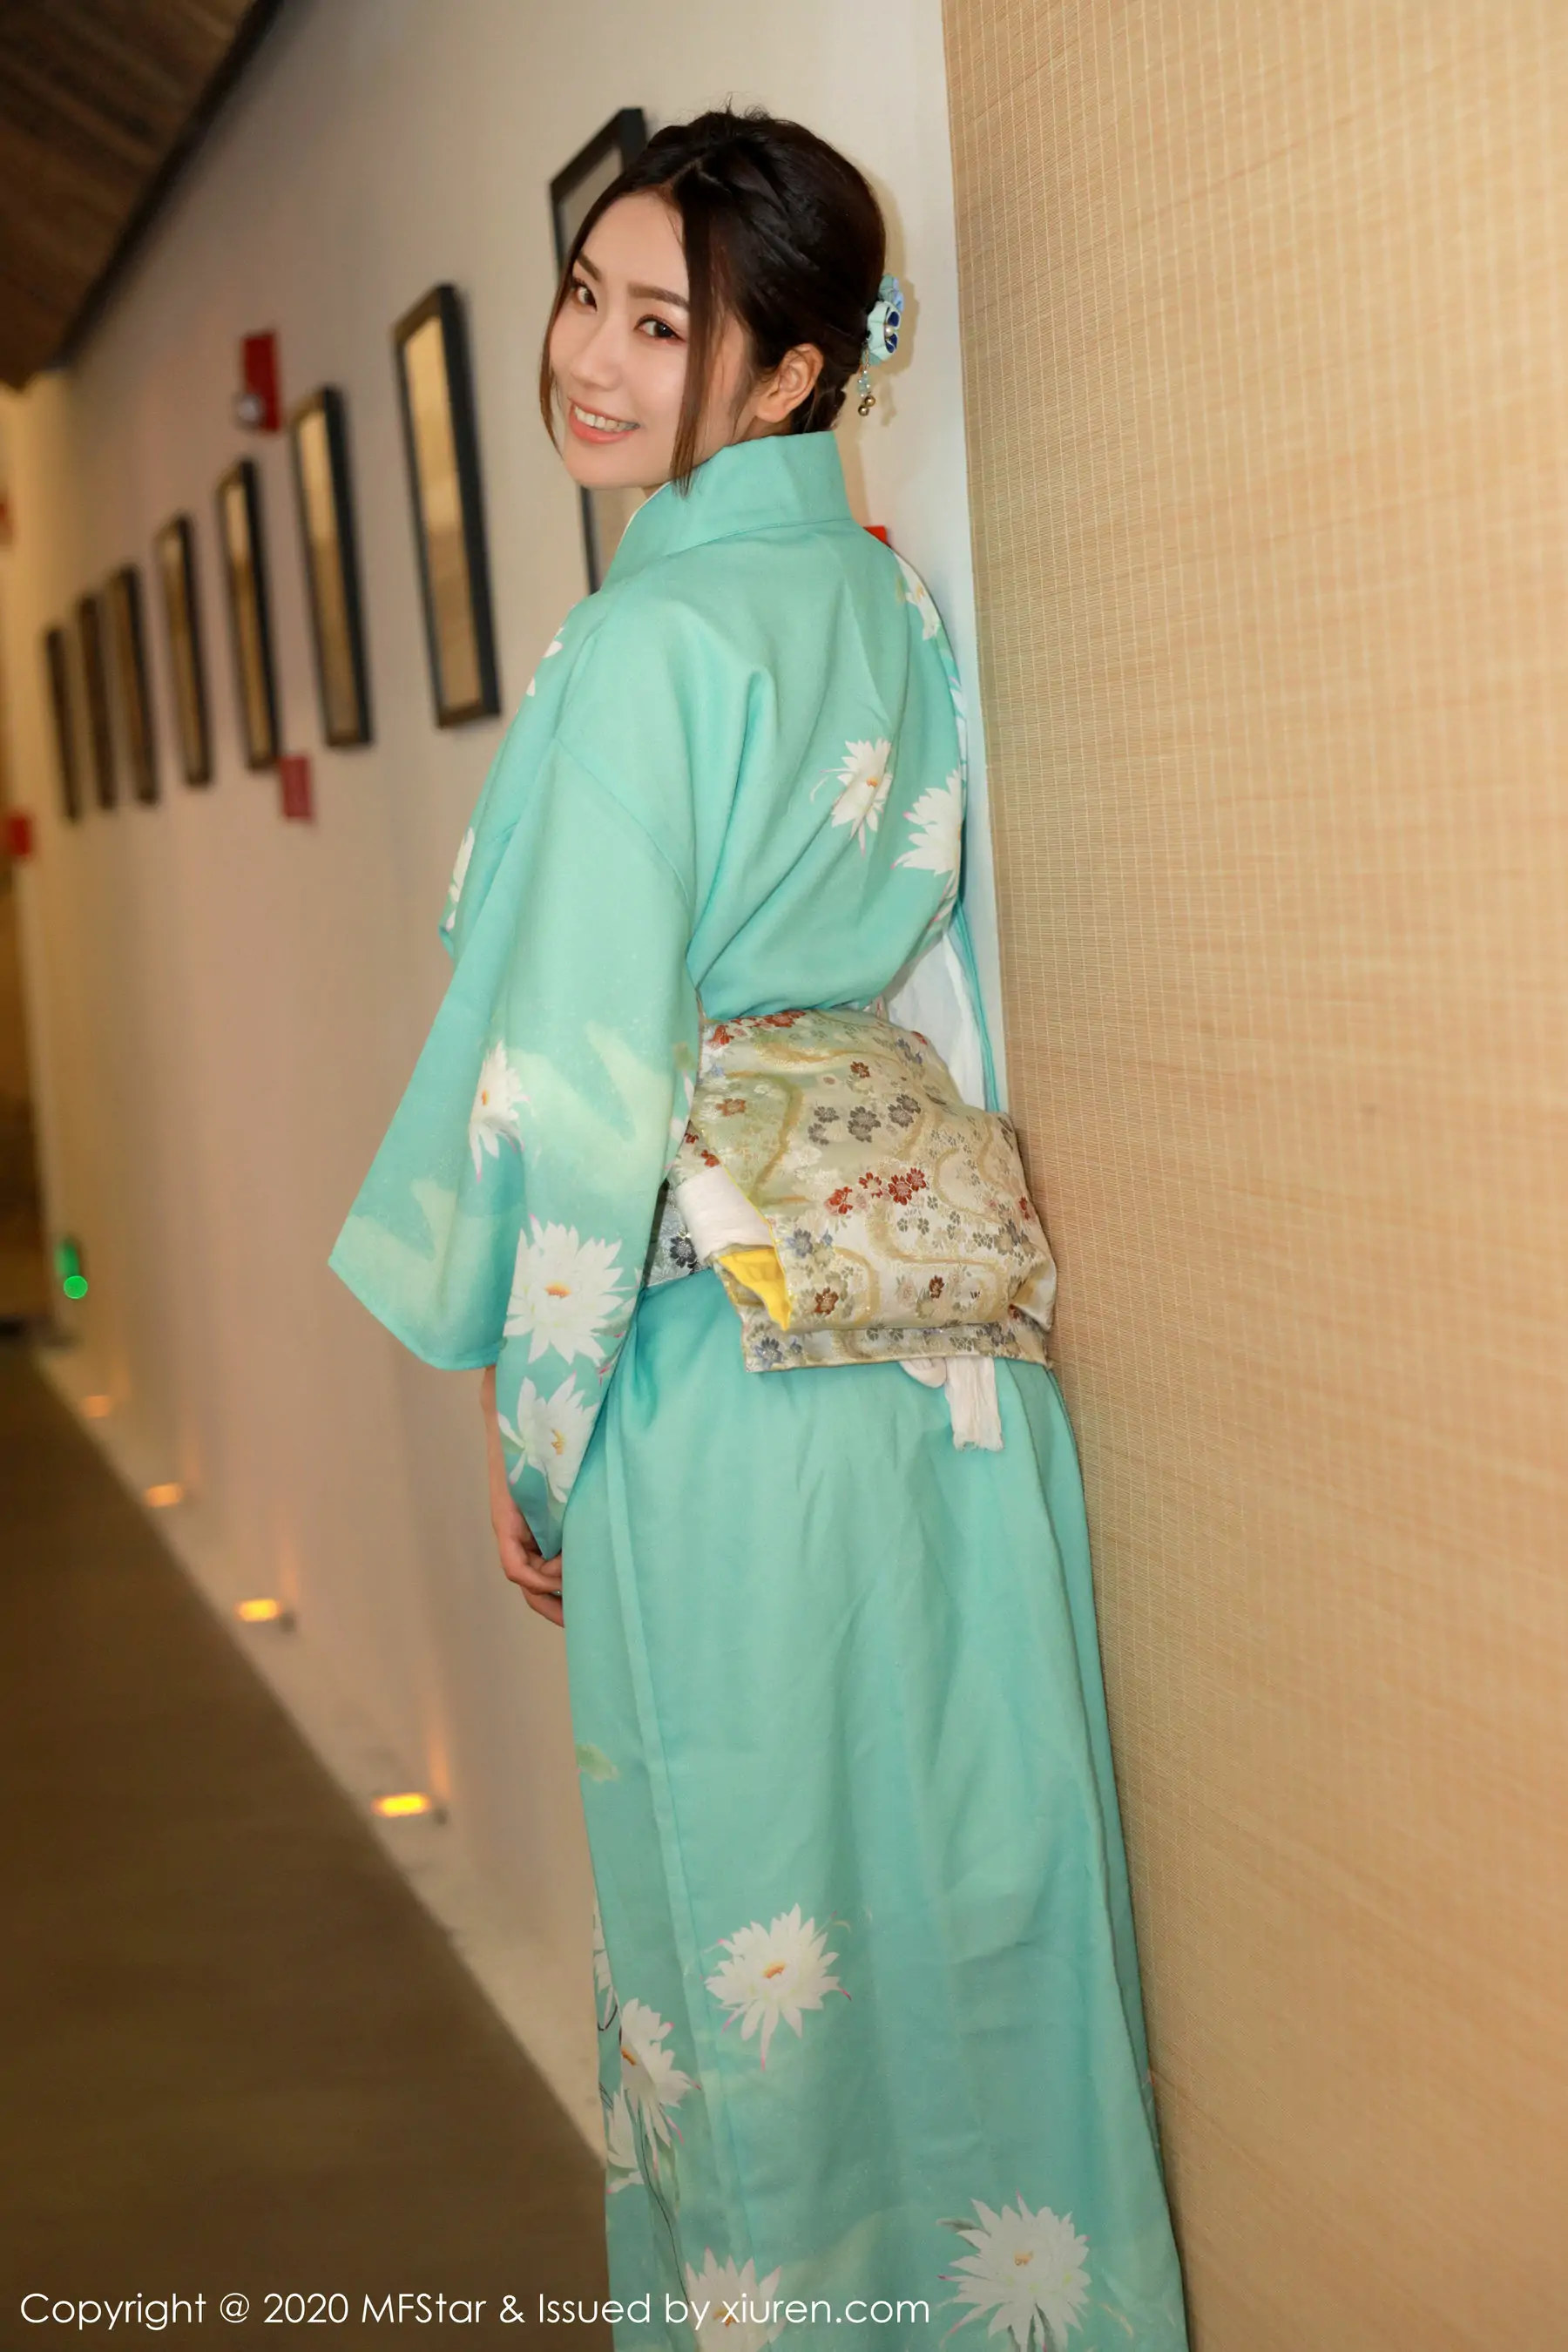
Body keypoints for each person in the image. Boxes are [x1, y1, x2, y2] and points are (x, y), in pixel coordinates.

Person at [331, 107, 1189, 2352]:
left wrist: (536, 1435)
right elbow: (928, 979)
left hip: (714, 1375)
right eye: (586, 299)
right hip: (944, 1372)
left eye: (663, 324)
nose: (590, 359)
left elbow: (582, 1083)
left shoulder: (643, 649)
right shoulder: (887, 601)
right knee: (977, 1915)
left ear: (797, 373)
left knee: (755, 1966)